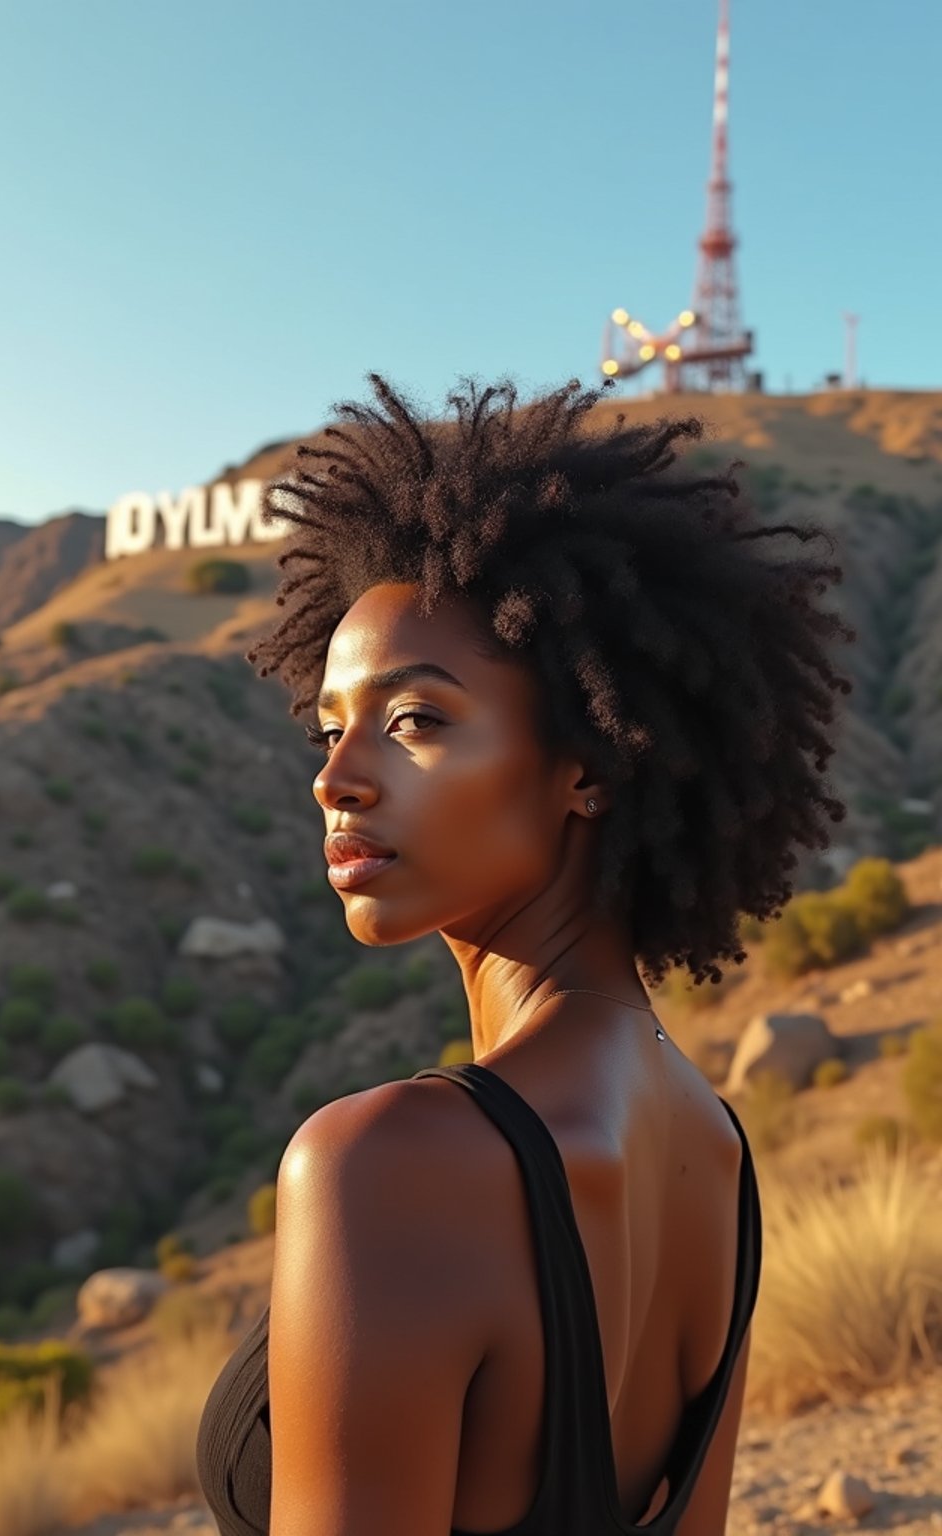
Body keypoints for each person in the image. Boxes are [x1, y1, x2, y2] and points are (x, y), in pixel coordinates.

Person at [196, 374, 855, 1535]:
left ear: (590, 764)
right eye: (333, 725)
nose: (335, 778)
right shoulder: (717, 1154)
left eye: (414, 722)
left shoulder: (385, 1166)